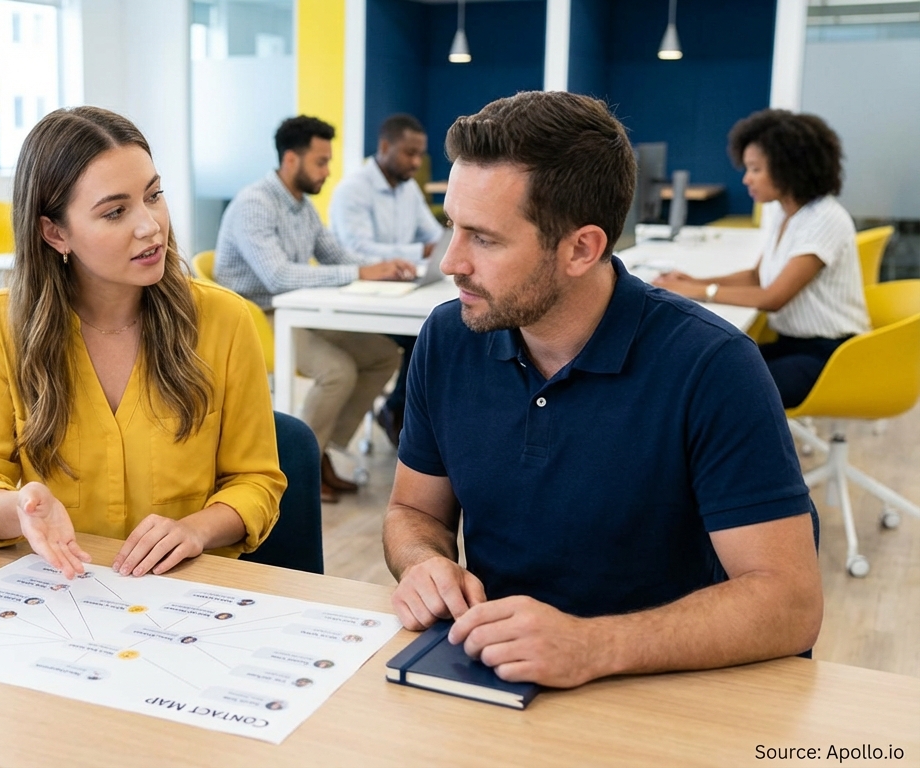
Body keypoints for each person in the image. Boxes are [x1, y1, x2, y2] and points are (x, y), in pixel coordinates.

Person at [383, 91, 822, 689]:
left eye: (483, 238)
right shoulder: (449, 335)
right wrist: (424, 563)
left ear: (581, 248)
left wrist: (592, 645)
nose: (450, 262)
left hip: (665, 691)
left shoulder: (714, 366)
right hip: (500, 676)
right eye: (450, 227)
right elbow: (412, 510)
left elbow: (789, 604)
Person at [0, 107, 286, 581]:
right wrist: (20, 509)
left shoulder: (223, 320)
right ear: (55, 233)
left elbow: (257, 481)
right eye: (115, 211)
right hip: (65, 590)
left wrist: (195, 530)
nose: (150, 226)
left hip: (187, 594)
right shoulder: (0, 324)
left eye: (154, 196)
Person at [215, 115, 416, 502]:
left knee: (382, 356)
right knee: (337, 370)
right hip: (255, 317)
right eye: (321, 162)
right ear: (292, 160)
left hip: (296, 312)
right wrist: (360, 271)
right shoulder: (254, 205)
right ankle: (297, 469)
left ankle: (318, 452)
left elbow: (333, 255)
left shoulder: (302, 206)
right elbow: (277, 277)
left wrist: (383, 268)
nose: (327, 171)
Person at [654, 109, 869, 408]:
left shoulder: (825, 218)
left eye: (755, 169)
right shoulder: (787, 212)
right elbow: (757, 276)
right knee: (703, 372)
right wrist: (692, 281)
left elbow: (773, 297)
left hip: (830, 355)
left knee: (718, 392)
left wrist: (698, 292)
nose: (746, 179)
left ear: (787, 168)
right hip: (793, 345)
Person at [329, 113, 446, 446]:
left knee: (435, 331)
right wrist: (417, 250)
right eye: (409, 153)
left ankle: (398, 411)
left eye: (419, 154)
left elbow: (434, 237)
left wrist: (431, 247)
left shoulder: (408, 190)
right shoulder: (353, 190)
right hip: (361, 301)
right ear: (384, 146)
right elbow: (358, 249)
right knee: (424, 337)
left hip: (399, 294)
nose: (415, 162)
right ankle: (398, 412)